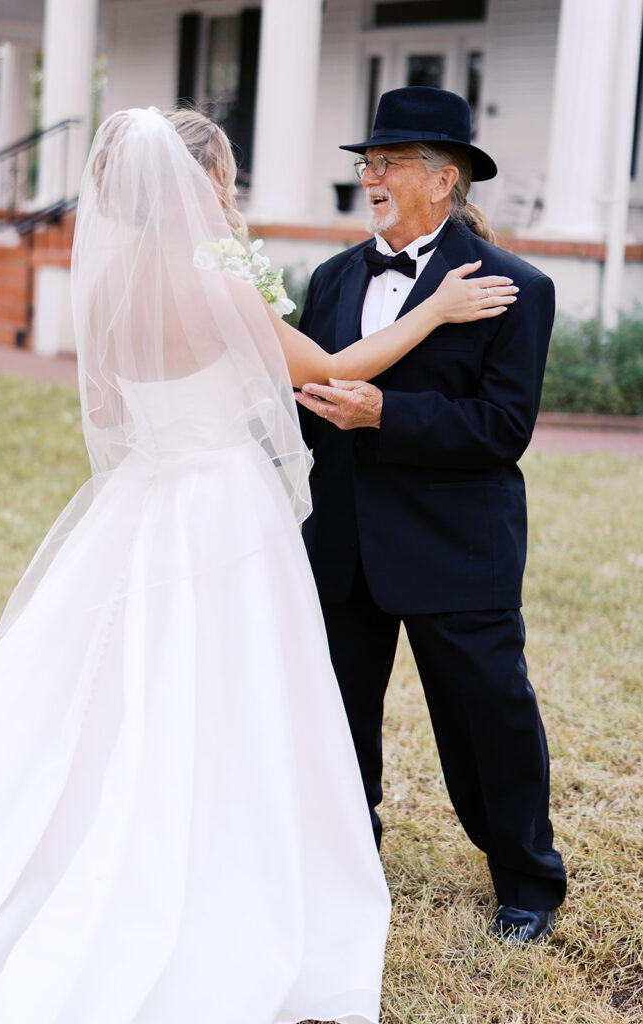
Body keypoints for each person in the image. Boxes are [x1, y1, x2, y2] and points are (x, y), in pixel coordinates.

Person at [0, 107, 514, 1023]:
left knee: (116, 684)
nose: (234, 193)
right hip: (218, 503)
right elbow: (329, 367)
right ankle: (209, 851)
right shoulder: (218, 280)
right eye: (228, 178)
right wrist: (439, 308)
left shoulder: (101, 286)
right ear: (202, 182)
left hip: (141, 496)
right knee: (227, 680)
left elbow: (107, 412)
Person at [294, 86, 567, 946]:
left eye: (389, 164)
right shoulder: (332, 277)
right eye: (367, 164)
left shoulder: (516, 286)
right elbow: (302, 398)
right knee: (336, 716)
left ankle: (526, 878)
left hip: (456, 544)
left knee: (488, 715)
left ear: (444, 180)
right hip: (340, 538)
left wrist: (386, 415)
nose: (370, 177)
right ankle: (344, 860)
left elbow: (501, 429)